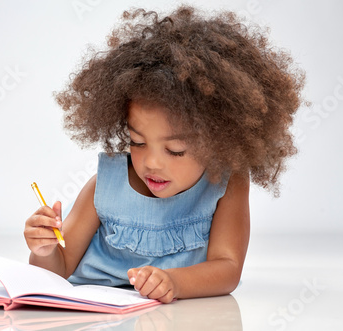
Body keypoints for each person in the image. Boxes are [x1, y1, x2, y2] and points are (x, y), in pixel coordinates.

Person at [24, 5, 305, 303]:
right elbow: (59, 269)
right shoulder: (105, 186)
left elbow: (228, 268)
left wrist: (174, 282)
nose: (152, 163)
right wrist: (45, 250)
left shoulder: (226, 184)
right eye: (137, 142)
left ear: (219, 141)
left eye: (175, 150)